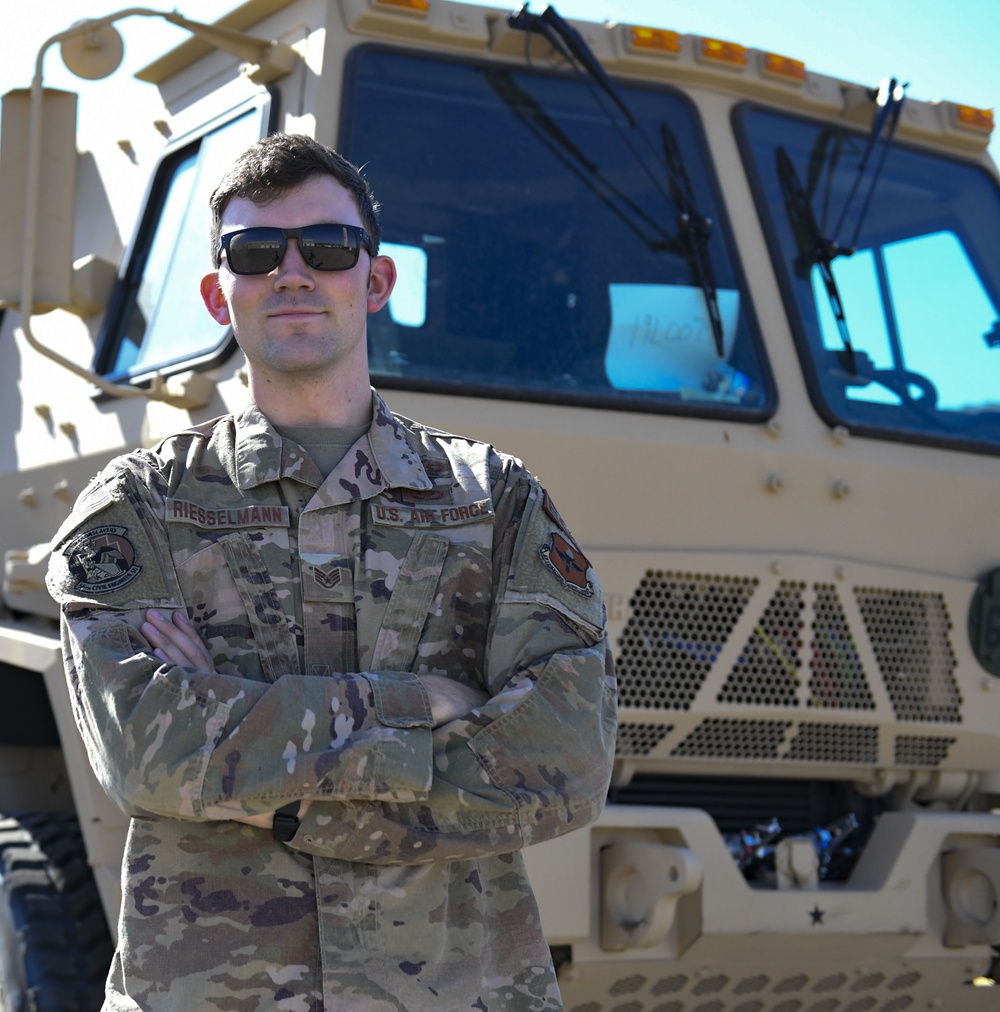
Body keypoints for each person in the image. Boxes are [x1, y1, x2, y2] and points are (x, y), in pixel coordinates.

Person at [46, 133, 617, 1011]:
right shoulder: (141, 507)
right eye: (256, 251)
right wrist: (416, 707)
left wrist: (265, 792)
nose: (294, 272)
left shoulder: (493, 501)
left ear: (375, 279)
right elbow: (144, 750)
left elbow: (565, 762)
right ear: (218, 293)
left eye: (329, 247)